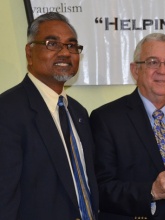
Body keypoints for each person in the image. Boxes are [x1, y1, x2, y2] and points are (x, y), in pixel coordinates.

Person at [90, 33, 165, 219]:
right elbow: (101, 189)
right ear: (135, 69)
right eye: (153, 62)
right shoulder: (106, 119)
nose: (163, 70)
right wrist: (151, 191)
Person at [0, 12, 98, 219]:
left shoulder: (78, 113)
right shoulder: (7, 111)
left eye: (72, 46)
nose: (65, 52)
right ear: (29, 52)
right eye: (52, 44)